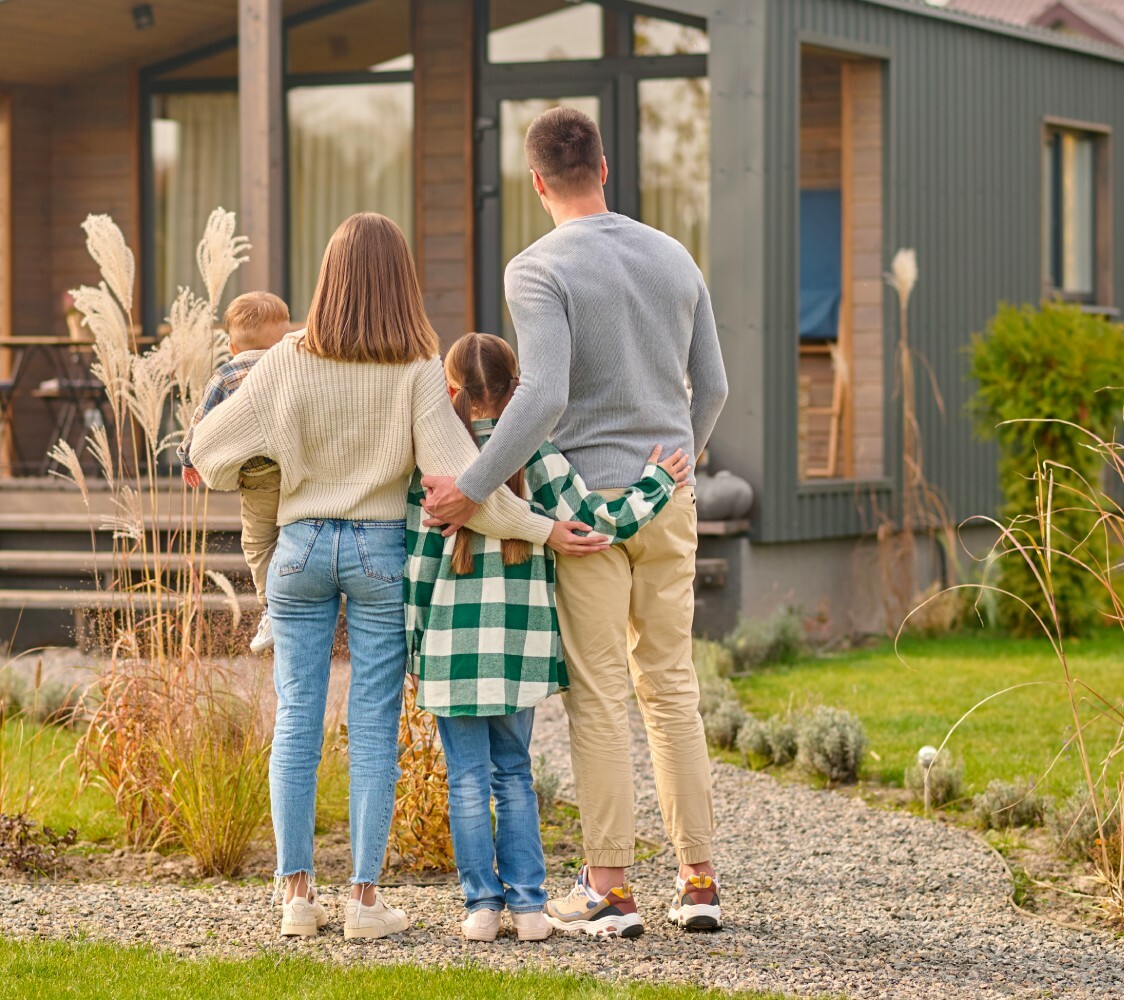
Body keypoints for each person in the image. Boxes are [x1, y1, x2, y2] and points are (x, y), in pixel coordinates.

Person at [189, 213, 608, 941]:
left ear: (327, 279)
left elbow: (206, 450)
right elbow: (465, 487)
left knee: (296, 718)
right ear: (401, 283)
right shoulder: (417, 370)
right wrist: (545, 529)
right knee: (374, 726)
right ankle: (362, 902)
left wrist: (269, 468)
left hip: (297, 549)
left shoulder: (285, 359)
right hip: (380, 554)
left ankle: (295, 897)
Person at [421, 108, 729, 936]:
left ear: (534, 183)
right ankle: (698, 881)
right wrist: (676, 471)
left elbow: (544, 392)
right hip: (667, 499)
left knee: (599, 698)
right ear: (603, 165)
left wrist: (472, 486)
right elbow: (717, 385)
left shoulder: (537, 267)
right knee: (671, 688)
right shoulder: (673, 255)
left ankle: (611, 891)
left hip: (584, 513)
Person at [406, 333, 689, 943]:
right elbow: (597, 523)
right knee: (514, 774)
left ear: (449, 391)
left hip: (451, 653)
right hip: (520, 649)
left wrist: (416, 645)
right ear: (519, 393)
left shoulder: (435, 461)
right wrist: (656, 482)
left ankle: (482, 908)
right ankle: (531, 908)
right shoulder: (536, 453)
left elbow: (418, 565)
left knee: (465, 780)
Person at [179, 291, 290, 654]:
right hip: (299, 467)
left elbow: (201, 422)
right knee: (294, 533)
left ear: (231, 346)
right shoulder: (293, 365)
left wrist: (187, 458)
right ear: (285, 335)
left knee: (258, 542)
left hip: (258, 475)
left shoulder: (226, 375)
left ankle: (273, 607)